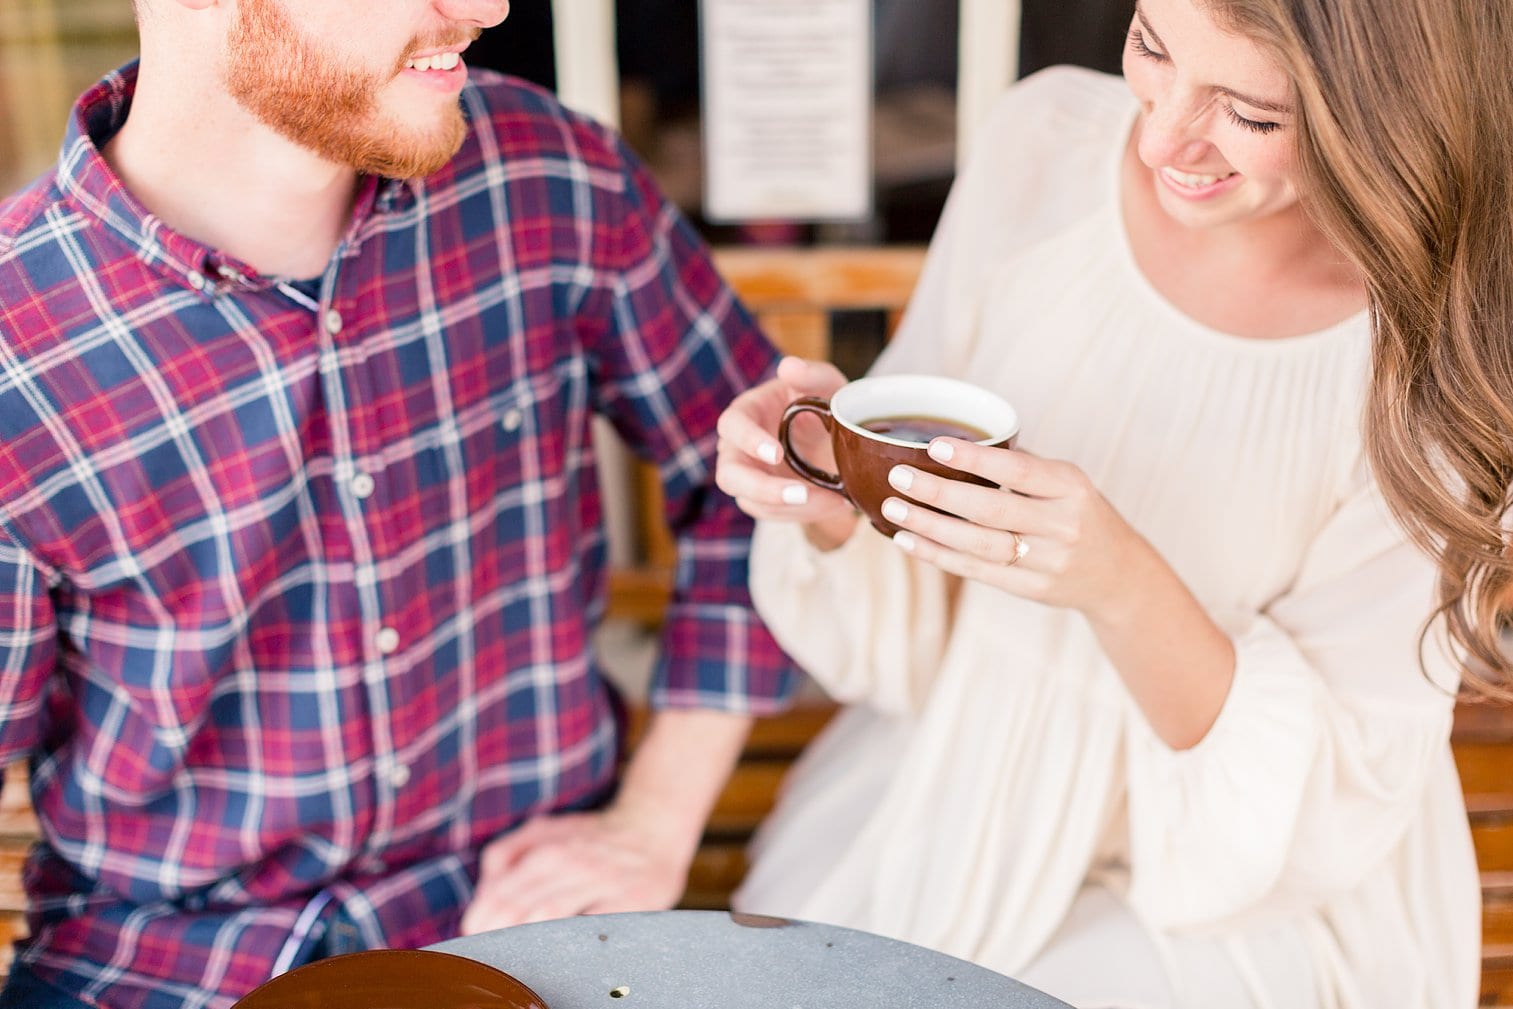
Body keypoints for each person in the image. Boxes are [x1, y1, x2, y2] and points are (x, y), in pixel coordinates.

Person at [0, 0, 800, 1006]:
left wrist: (654, 817)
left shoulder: (547, 173)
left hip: (535, 928)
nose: (486, 6)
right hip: (168, 971)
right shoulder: (15, 346)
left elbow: (758, 489)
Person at [716, 0, 1510, 1005]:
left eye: (1251, 114)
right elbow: (908, 639)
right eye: (1151, 47)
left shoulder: (1450, 345)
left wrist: (1118, 582)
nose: (1160, 137)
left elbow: (1325, 805)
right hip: (964, 774)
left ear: (1392, 114)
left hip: (1248, 891)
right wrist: (832, 488)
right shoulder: (1042, 143)